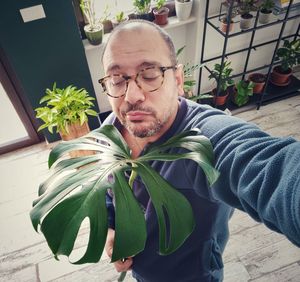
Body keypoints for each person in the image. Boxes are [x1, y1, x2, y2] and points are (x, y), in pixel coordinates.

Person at [99, 20, 300, 282]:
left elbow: (268, 169)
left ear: (178, 79)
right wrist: (111, 226)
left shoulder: (202, 139)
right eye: (117, 79)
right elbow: (108, 186)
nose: (132, 96)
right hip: (140, 270)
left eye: (149, 75)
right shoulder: (109, 129)